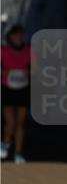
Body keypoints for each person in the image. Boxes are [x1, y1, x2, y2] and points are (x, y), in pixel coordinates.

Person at [1, 24, 31, 163]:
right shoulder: (3, 51)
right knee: (10, 122)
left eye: (21, 35)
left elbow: (38, 69)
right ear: (10, 37)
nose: (19, 37)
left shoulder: (29, 51)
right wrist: (4, 72)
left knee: (20, 123)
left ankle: (18, 153)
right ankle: (6, 142)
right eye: (16, 35)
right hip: (7, 88)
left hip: (23, 88)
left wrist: (28, 72)